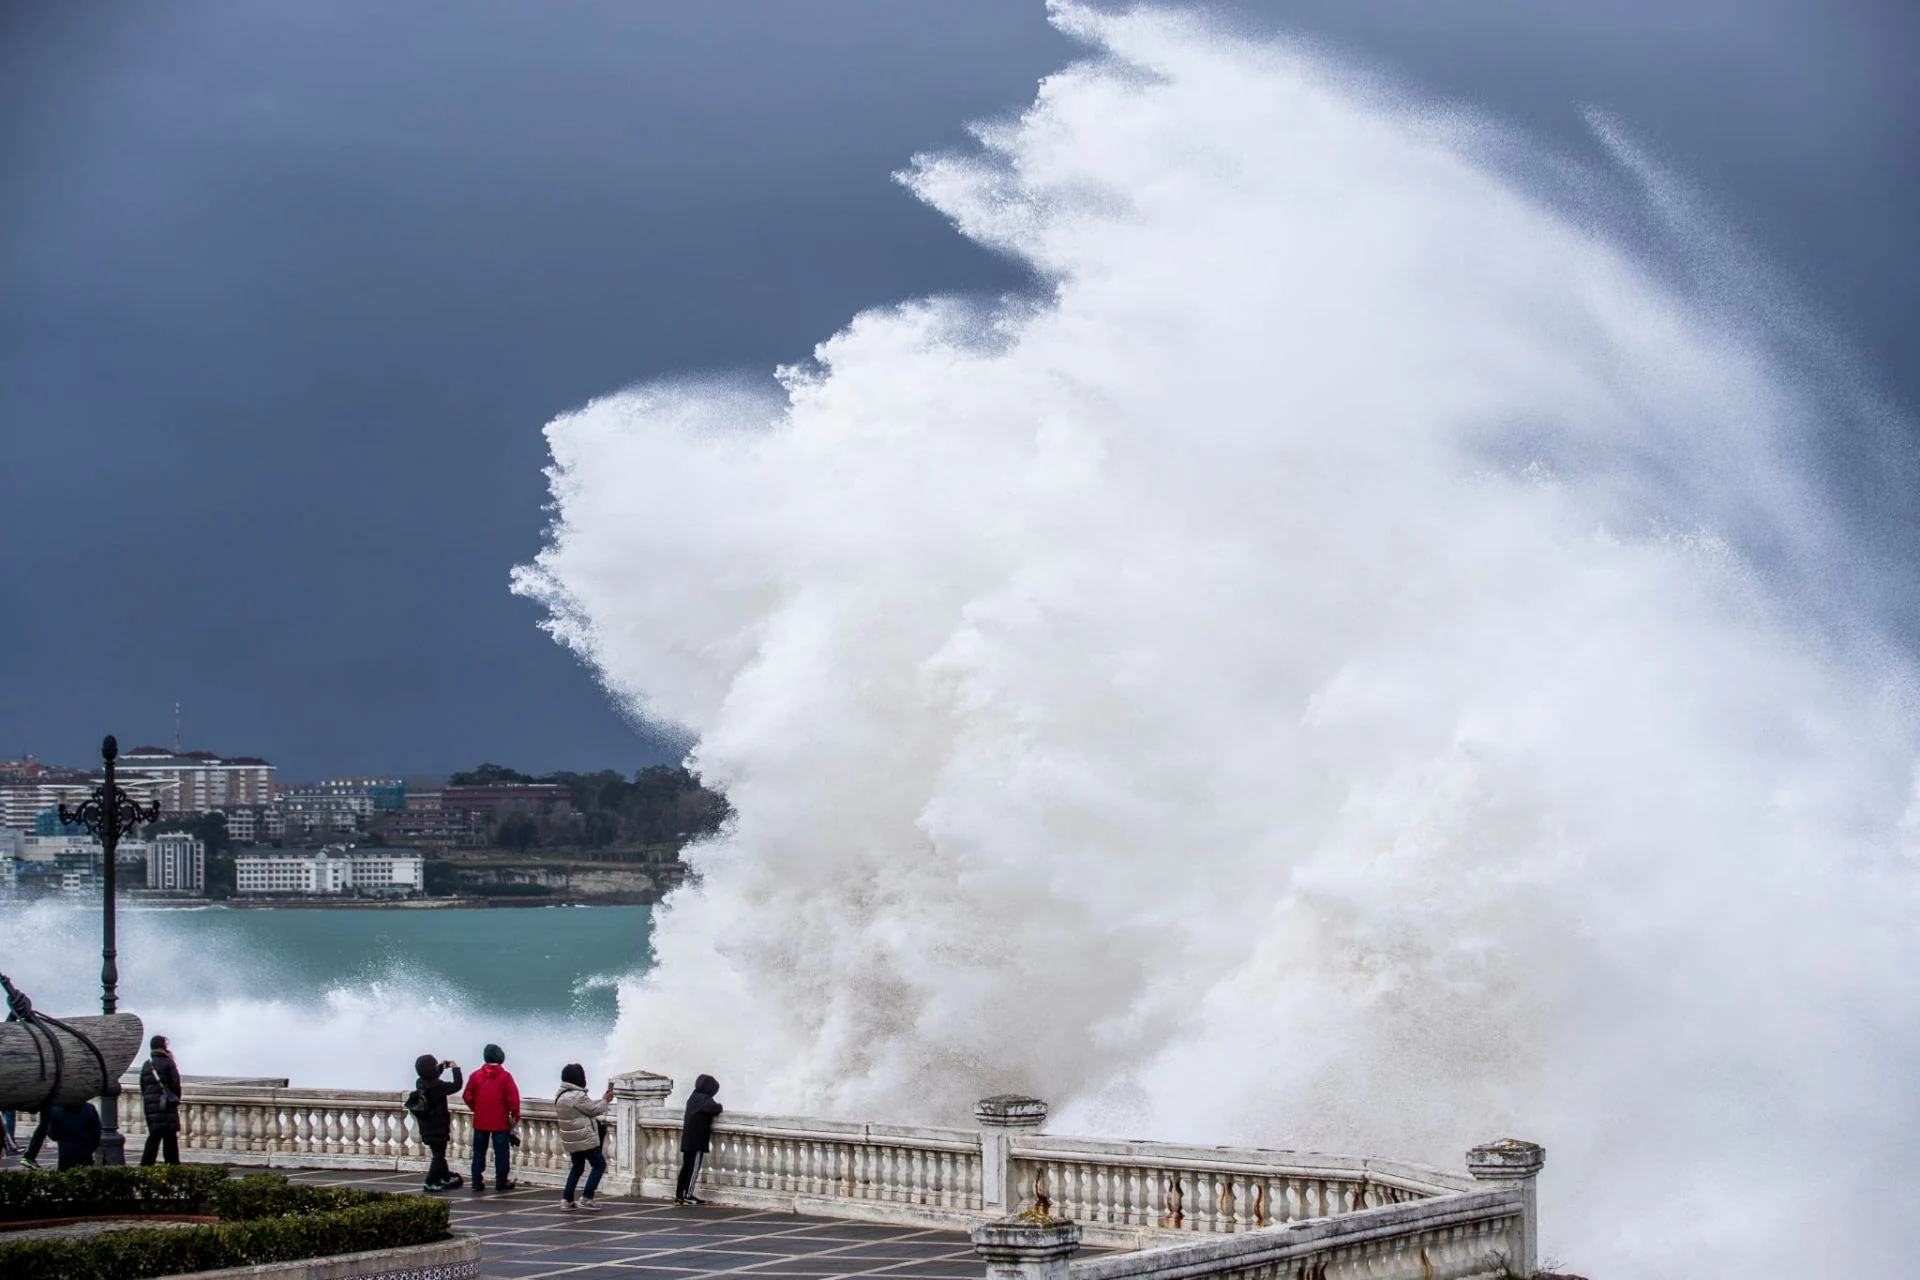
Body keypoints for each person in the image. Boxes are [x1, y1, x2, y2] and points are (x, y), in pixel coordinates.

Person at [553, 1063, 612, 1211]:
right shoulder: (577, 1096)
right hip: (584, 1138)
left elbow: (585, 1109)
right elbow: (594, 1110)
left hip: (571, 1139)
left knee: (577, 1167)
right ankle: (587, 1197)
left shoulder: (561, 1095)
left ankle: (567, 1199)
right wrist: (606, 1100)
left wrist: (601, 1100)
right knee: (599, 1165)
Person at [462, 1043, 520, 1193]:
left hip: (481, 1120)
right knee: (501, 1153)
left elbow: (467, 1096)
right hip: (500, 1121)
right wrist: (515, 1118)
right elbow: (513, 1101)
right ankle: (501, 1181)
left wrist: (477, 1109)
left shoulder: (476, 1076)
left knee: (479, 1152)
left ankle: (476, 1181)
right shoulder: (505, 1077)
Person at [410, 1054, 465, 1192]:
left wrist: (441, 1067)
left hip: (427, 1127)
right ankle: (430, 1181)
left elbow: (431, 1075)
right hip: (438, 1127)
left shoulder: (420, 1082)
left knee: (438, 1154)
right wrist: (455, 1069)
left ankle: (444, 1177)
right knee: (438, 1156)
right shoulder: (437, 1086)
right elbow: (456, 1085)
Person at [673, 1074, 722, 1205]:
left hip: (688, 1139)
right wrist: (720, 1106)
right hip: (697, 1141)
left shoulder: (692, 1098)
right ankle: (688, 1195)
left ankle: (679, 1196)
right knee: (694, 1169)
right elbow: (715, 1108)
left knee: (685, 1167)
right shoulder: (705, 1099)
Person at [139, 1034, 183, 1165]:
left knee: (153, 1138)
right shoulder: (168, 1063)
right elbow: (176, 1085)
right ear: (164, 1047)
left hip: (152, 1108)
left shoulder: (147, 1064)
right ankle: (173, 1167)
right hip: (167, 1106)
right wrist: (175, 1100)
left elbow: (143, 1087)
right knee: (170, 1140)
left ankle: (146, 1166)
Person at [46, 1100, 101, 1170]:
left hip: (65, 1152)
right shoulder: (89, 1108)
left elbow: (52, 1134)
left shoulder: (56, 1110)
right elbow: (96, 1132)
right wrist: (92, 1147)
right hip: (85, 1151)